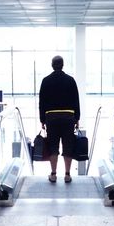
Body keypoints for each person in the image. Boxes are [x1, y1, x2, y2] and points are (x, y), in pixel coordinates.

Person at [39, 55, 80, 183]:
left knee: (53, 146)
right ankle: (67, 175)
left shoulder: (46, 81)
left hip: (51, 117)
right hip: (68, 117)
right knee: (68, 146)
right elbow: (76, 101)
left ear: (52, 65)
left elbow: (42, 103)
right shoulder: (70, 80)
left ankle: (53, 174)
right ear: (62, 65)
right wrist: (77, 118)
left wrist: (42, 120)